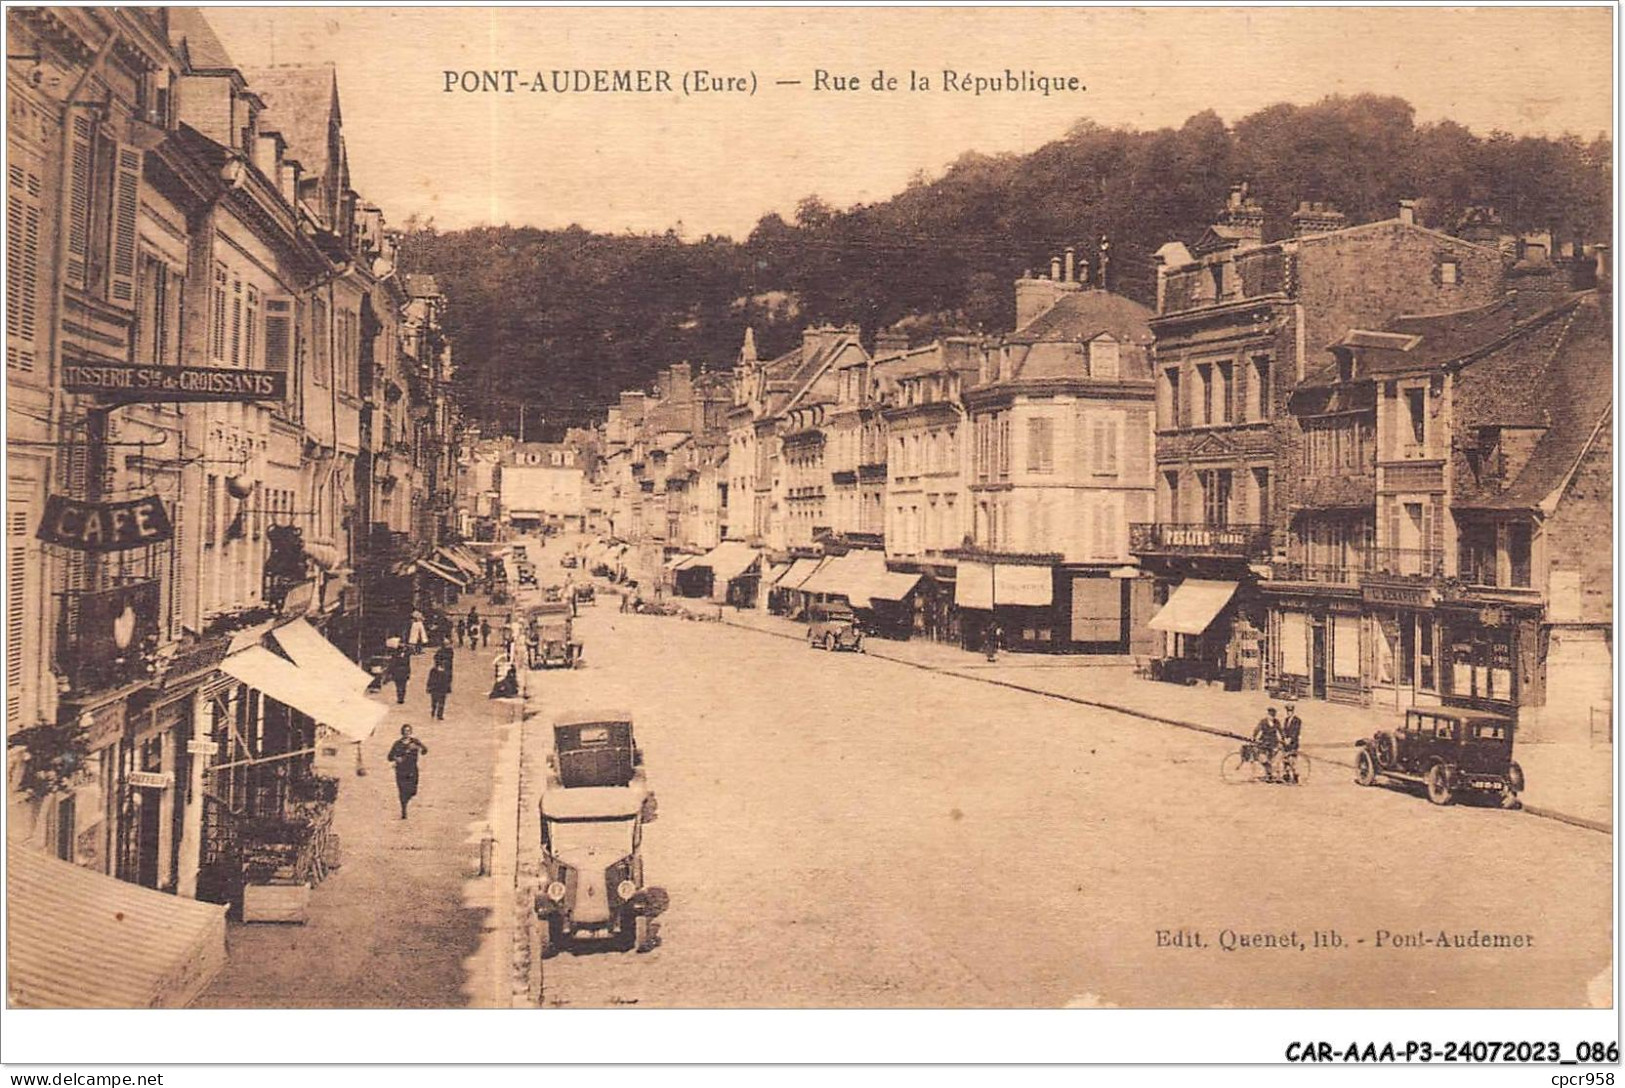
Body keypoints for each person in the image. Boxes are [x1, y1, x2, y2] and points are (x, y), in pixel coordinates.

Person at [387, 724, 428, 820]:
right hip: (401, 771)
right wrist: (396, 759)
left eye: (409, 731)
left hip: (412, 769)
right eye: (405, 731)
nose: (407, 733)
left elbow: (425, 750)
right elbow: (389, 757)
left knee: (412, 791)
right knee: (402, 791)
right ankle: (404, 809)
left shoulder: (415, 742)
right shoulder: (397, 744)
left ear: (411, 732)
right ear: (402, 732)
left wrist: (419, 749)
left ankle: (407, 799)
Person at [1251, 706, 1282, 782]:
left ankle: (1269, 775)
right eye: (1270, 715)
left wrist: (1284, 739)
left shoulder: (1277, 722)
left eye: (1273, 716)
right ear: (1268, 715)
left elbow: (1281, 731)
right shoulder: (1263, 721)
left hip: (1273, 743)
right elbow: (1257, 729)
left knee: (1271, 759)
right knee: (1263, 759)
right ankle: (1269, 773)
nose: (1272, 717)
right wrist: (1253, 737)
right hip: (1264, 742)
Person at [1279, 703, 1303, 783]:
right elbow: (1284, 730)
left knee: (1292, 760)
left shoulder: (1297, 720)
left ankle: (1295, 776)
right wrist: (1284, 738)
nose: (1289, 713)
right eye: (1288, 711)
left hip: (1293, 743)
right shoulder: (1286, 720)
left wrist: (1290, 738)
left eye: (1290, 711)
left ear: (1293, 711)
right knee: (1285, 760)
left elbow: (1296, 731)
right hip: (1286, 743)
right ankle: (1287, 775)